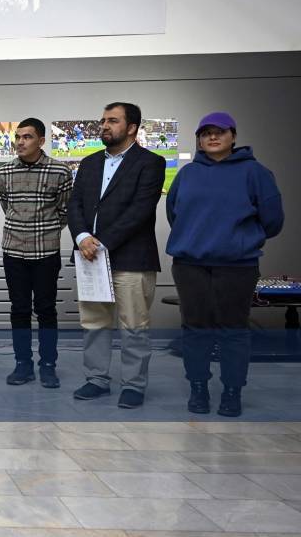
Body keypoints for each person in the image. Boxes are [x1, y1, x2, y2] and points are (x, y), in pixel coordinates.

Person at [166, 112, 283, 417]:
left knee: (233, 329)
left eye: (219, 131)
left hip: (237, 266)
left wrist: (239, 240)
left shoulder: (255, 173)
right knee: (195, 329)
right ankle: (198, 388)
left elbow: (273, 221)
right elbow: (174, 213)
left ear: (233, 136)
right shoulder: (187, 174)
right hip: (190, 264)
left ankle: (232, 391)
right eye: (206, 133)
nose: (213, 137)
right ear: (199, 140)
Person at [67, 102, 165, 409]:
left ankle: (133, 385)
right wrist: (82, 237)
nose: (105, 126)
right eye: (103, 121)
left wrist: (101, 243)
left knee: (133, 325)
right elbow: (75, 204)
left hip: (131, 258)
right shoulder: (89, 163)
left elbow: (140, 210)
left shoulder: (150, 163)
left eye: (113, 120)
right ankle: (97, 379)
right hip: (90, 257)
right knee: (94, 322)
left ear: (132, 127)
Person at [0, 118, 74, 388]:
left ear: (41, 141)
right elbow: (7, 205)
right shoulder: (5, 172)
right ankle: (23, 364)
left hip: (46, 252)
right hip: (13, 251)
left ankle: (48, 365)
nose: (20, 142)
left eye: (27, 137)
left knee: (46, 310)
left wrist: (44, 230)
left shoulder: (60, 171)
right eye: (17, 137)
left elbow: (64, 211)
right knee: (19, 310)